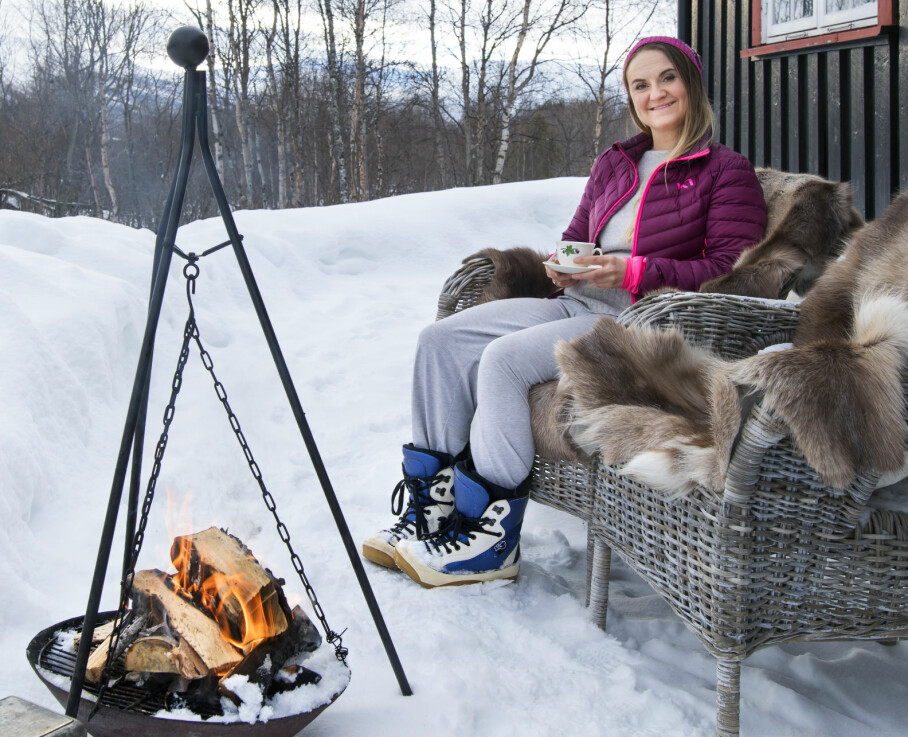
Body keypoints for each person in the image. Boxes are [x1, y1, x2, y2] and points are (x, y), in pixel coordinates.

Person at [361, 36, 767, 588]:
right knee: (441, 342)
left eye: (667, 78)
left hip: (639, 324)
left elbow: (731, 272)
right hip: (579, 300)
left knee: (502, 361)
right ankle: (432, 512)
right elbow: (576, 237)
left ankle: (490, 538)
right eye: (640, 85)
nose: (655, 94)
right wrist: (562, 266)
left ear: (691, 83)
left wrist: (632, 272)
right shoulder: (616, 162)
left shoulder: (725, 171)